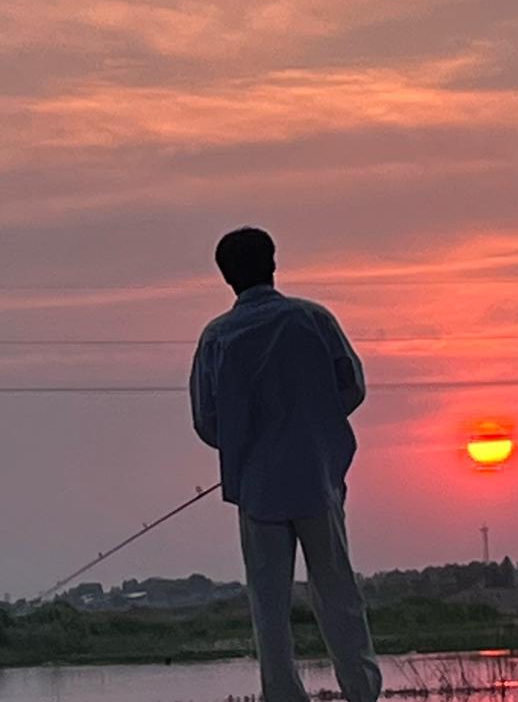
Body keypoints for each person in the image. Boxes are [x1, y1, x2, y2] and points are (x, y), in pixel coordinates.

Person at [190, 227, 381, 702]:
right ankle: (361, 691)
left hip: (257, 490)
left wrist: (244, 444)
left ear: (226, 278)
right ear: (273, 264)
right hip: (318, 478)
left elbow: (205, 420)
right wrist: (314, 425)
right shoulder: (313, 319)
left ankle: (282, 695)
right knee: (338, 592)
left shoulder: (217, 337)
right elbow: (352, 387)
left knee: (268, 607)